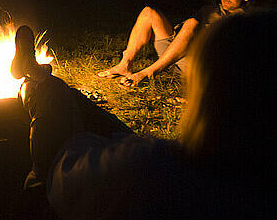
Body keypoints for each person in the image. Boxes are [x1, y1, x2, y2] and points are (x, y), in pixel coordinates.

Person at [14, 13, 276, 219]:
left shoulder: (152, 170)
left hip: (56, 179)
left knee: (53, 97)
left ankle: (37, 80)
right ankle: (41, 75)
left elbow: (66, 174)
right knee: (70, 98)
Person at [96, 0, 252, 87]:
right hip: (174, 52)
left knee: (192, 23)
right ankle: (125, 64)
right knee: (148, 12)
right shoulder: (209, 10)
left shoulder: (247, 21)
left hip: (197, 66)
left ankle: (148, 73)